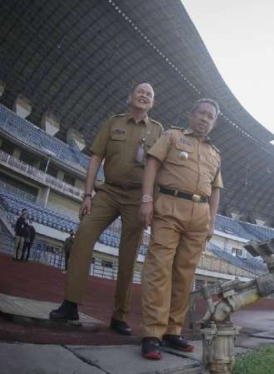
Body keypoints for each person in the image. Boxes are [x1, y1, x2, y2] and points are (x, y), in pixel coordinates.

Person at [49, 83, 163, 337]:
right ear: (130, 97)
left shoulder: (157, 130)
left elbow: (157, 171)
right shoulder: (113, 123)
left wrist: (150, 203)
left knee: (128, 255)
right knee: (83, 235)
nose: (144, 95)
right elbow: (95, 158)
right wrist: (87, 194)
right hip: (108, 191)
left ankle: (119, 316)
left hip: (136, 197)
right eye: (140, 91)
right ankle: (70, 305)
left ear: (152, 104)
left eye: (149, 94)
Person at [139, 99, 222, 360]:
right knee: (159, 268)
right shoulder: (172, 136)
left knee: (184, 275)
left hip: (199, 216)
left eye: (210, 117)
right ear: (190, 115)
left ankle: (173, 330)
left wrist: (211, 221)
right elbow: (152, 163)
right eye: (201, 113)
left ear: (214, 123)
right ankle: (152, 333)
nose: (205, 119)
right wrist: (146, 199)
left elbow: (216, 189)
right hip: (169, 207)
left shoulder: (215, 153)